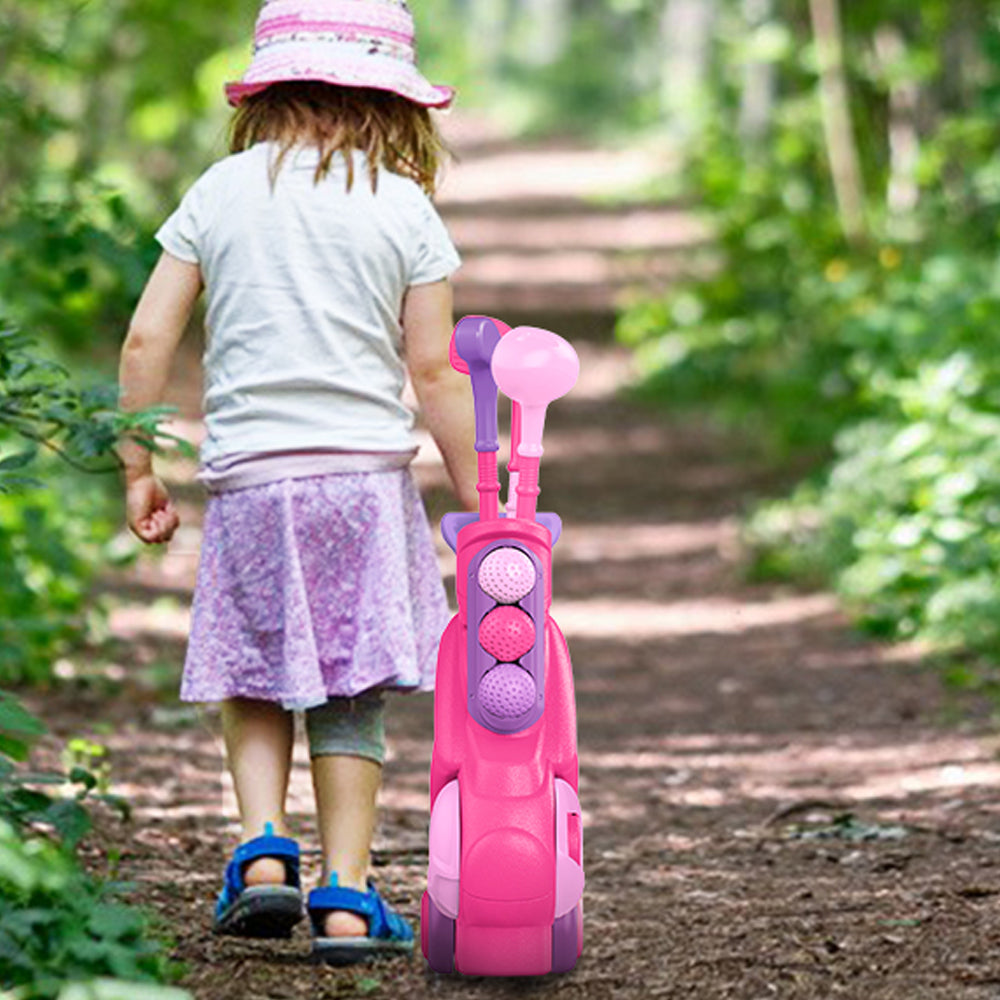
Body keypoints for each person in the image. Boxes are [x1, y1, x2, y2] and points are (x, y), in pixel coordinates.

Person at [115, 0, 478, 964]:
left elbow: (150, 336)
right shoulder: (404, 205)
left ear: (267, 89)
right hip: (361, 484)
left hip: (251, 485)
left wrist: (138, 465)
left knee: (256, 668)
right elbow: (435, 372)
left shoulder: (221, 192)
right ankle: (351, 900)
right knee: (351, 690)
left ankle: (264, 857)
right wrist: (482, 498)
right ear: (392, 103)